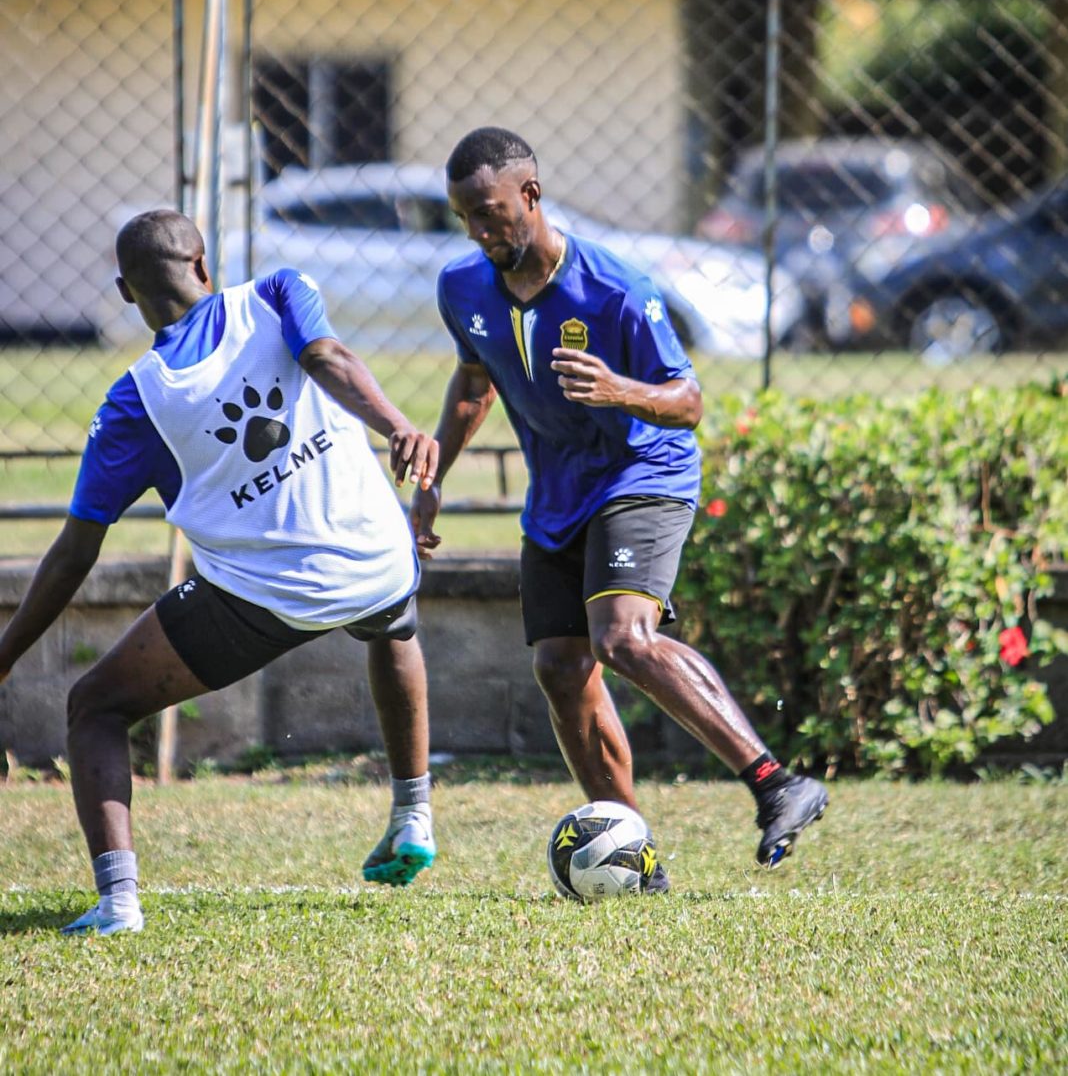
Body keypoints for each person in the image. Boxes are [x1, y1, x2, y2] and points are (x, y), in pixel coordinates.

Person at [0, 209, 440, 936]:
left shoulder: (133, 402)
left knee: (95, 707)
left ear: (125, 292)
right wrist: (398, 424)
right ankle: (413, 812)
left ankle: (118, 904)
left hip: (259, 599)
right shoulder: (277, 292)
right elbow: (329, 358)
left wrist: (7, 653)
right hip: (377, 556)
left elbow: (76, 551)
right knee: (391, 618)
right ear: (203, 264)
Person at [412, 127, 828, 880]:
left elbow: (689, 399)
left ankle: (777, 783)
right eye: (463, 216)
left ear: (530, 196)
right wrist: (435, 470)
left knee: (622, 638)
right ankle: (638, 859)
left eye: (489, 211)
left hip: (642, 471)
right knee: (560, 666)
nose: (477, 230)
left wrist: (619, 390)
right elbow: (476, 380)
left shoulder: (617, 289)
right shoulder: (462, 287)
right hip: (557, 492)